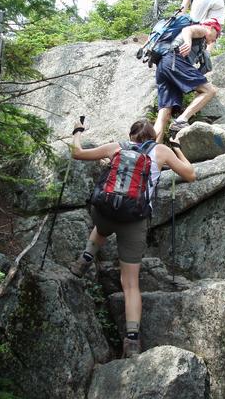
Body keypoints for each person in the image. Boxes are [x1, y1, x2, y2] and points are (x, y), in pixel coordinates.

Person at [69, 119, 195, 358]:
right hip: (134, 222)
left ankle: (84, 261)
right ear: (152, 137)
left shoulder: (116, 147)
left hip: (104, 214)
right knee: (130, 284)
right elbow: (190, 175)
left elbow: (77, 153)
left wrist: (77, 131)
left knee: (103, 225)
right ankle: (132, 341)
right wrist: (177, 147)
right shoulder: (162, 151)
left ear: (131, 135)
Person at [153, 18, 220, 143]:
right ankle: (181, 120)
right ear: (212, 28)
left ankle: (151, 152)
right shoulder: (203, 28)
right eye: (217, 34)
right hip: (174, 60)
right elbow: (187, 29)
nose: (216, 39)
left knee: (164, 114)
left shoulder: (202, 44)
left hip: (163, 66)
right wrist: (188, 43)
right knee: (209, 91)